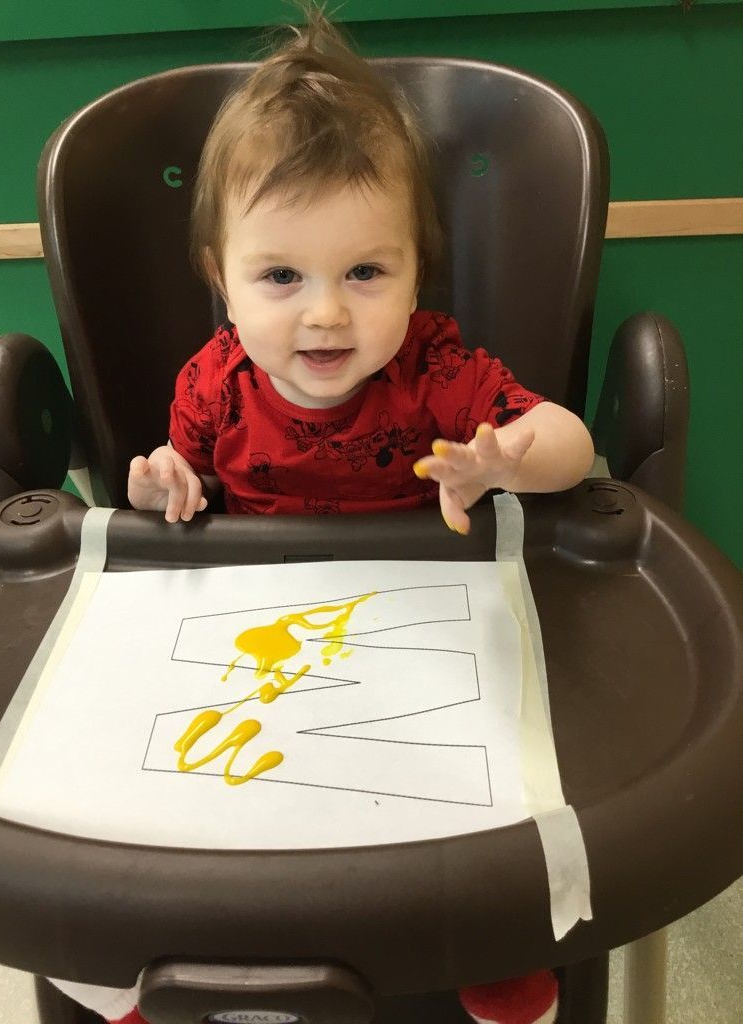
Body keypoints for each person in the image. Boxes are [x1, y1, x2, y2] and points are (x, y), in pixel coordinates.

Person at [113, 7, 592, 1024]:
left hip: (418, 636)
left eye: (365, 272)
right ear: (221, 278)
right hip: (264, 645)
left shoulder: (435, 372)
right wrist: (164, 488)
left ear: (417, 273)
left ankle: (488, 945)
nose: (326, 312)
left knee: (478, 777)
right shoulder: (214, 387)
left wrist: (509, 462)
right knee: (186, 793)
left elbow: (570, 443)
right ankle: (163, 965)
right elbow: (172, 488)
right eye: (282, 276)